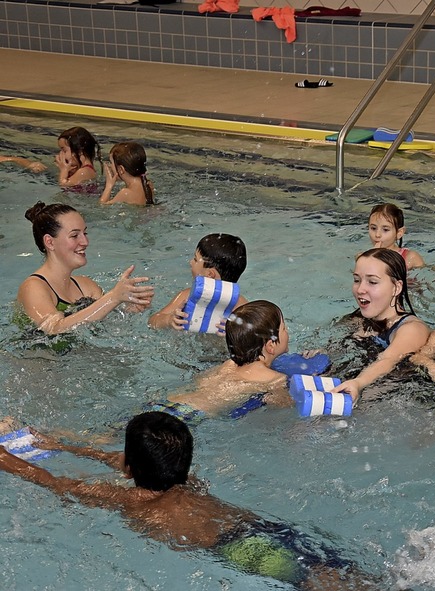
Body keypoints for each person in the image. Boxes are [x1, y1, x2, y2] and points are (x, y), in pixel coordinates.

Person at [0, 412, 378, 590]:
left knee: (324, 583)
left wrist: (3, 455)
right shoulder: (189, 481)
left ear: (130, 469)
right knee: (354, 578)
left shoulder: (129, 501)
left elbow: (48, 480)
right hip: (265, 528)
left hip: (240, 549)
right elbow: (118, 459)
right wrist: (60, 444)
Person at [16, 202, 154, 335]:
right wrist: (113, 298)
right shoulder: (33, 287)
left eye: (85, 234)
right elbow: (53, 329)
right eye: (75, 235)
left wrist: (130, 311)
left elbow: (107, 327)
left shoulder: (86, 286)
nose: (85, 242)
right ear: (50, 242)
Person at [331, 249, 430, 403]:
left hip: (397, 395)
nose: (360, 289)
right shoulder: (357, 318)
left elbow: (388, 360)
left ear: (396, 287)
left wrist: (359, 382)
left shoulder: (412, 329)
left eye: (372, 282)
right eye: (357, 280)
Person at [165, 300, 294, 416]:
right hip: (189, 415)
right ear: (271, 346)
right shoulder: (276, 379)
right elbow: (287, 404)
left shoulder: (230, 364)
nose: (287, 331)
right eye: (284, 329)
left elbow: (201, 380)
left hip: (169, 403)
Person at [149, 233, 248, 331]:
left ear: (210, 274)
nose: (191, 262)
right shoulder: (186, 297)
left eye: (196, 259)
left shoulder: (241, 307)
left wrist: (233, 332)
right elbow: (153, 321)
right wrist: (169, 319)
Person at [366, 203, 435, 279]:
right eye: (373, 228)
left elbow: (426, 277)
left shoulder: (409, 258)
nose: (377, 235)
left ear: (399, 233)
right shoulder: (364, 258)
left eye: (385, 230)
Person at [100, 142, 154, 206]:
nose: (109, 166)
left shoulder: (125, 193)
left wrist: (109, 185)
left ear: (121, 169)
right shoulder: (148, 186)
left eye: (111, 162)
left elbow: (102, 205)